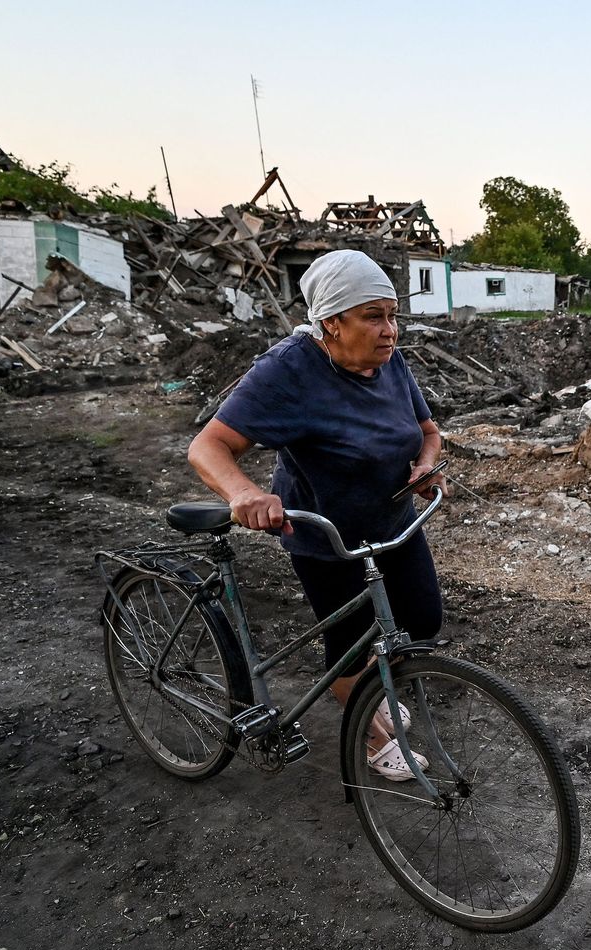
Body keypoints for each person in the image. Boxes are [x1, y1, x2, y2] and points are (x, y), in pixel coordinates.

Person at [186, 250, 445, 780]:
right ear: (331, 321)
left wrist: (424, 467)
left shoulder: (387, 358)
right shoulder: (288, 371)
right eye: (374, 316)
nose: (390, 330)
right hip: (327, 533)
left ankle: (377, 690)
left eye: (393, 315)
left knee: (419, 621)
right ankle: (371, 734)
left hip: (391, 521)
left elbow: (428, 432)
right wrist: (244, 494)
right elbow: (207, 446)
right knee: (349, 650)